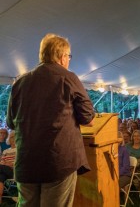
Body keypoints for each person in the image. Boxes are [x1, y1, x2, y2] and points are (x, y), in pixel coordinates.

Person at [6, 33, 95, 207]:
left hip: (26, 163)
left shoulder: (20, 81)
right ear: (62, 57)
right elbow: (88, 119)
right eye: (69, 56)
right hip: (58, 162)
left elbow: (10, 122)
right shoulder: (68, 77)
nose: (69, 60)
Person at [0, 131, 16, 204]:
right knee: (0, 177)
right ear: (9, 139)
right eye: (12, 137)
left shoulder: (20, 150)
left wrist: (11, 164)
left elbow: (20, 163)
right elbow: (2, 163)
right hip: (4, 170)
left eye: (15, 137)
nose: (13, 139)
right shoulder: (5, 151)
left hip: (14, 171)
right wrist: (7, 164)